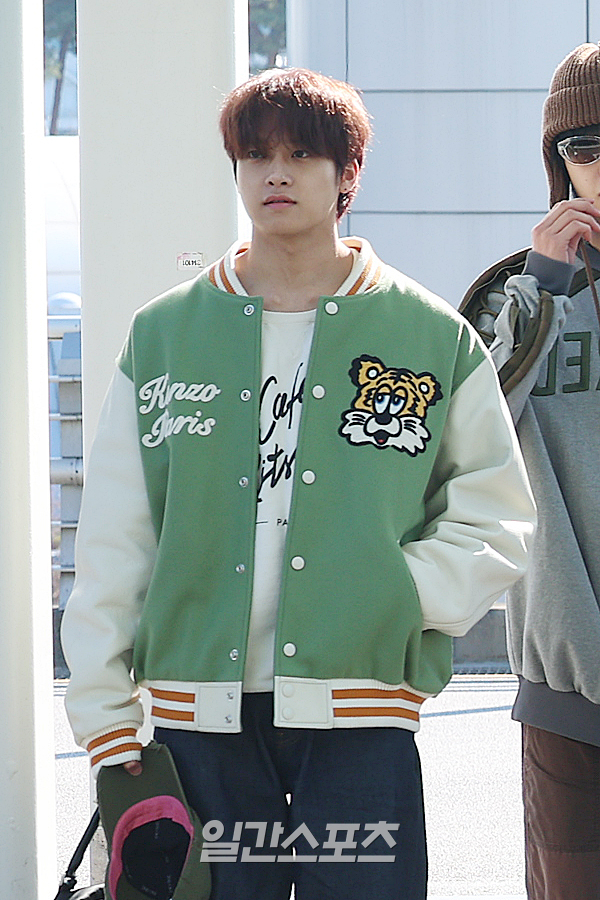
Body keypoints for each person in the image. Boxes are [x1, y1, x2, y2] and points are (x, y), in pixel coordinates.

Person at [62, 67, 535, 900]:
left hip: (362, 710)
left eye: (302, 154)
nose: (275, 173)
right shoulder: (165, 333)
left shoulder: (427, 335)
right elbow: (116, 532)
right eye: (256, 154)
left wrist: (392, 593)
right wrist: (106, 714)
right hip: (198, 715)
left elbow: (497, 516)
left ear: (347, 173)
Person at [465, 42, 600, 900]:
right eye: (585, 147)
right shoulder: (512, 297)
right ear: (558, 164)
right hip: (567, 683)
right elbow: (460, 440)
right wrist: (543, 287)